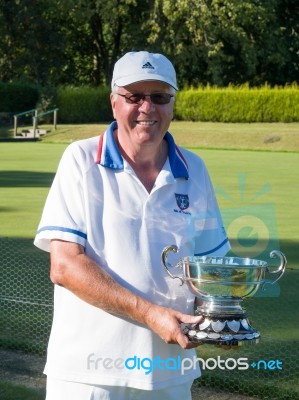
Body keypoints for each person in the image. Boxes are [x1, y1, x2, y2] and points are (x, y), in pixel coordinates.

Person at [34, 51, 230, 400]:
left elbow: (211, 268)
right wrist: (152, 315)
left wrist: (220, 313)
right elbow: (64, 266)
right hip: (87, 374)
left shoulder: (195, 170)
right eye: (134, 96)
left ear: (172, 105)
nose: (147, 108)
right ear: (114, 102)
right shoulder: (80, 159)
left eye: (159, 97)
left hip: (170, 373)